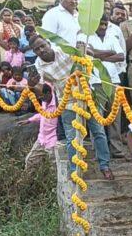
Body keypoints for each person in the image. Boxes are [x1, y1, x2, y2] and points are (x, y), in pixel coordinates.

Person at [30, 35, 113, 180]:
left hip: (86, 96)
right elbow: (44, 89)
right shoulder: (38, 65)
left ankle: (105, 166)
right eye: (37, 49)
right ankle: (75, 171)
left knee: (98, 131)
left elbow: (87, 57)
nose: (41, 50)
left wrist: (85, 50)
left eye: (42, 45)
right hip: (66, 101)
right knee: (71, 137)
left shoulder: (64, 49)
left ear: (48, 43)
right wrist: (32, 85)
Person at [87, 14, 127, 159]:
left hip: (113, 81)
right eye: (100, 24)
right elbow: (88, 53)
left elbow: (121, 56)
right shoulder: (87, 37)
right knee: (97, 117)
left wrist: (99, 55)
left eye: (105, 24)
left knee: (115, 116)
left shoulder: (111, 37)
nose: (103, 27)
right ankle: (99, 150)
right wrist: (109, 53)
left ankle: (116, 149)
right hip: (95, 82)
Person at [19, 84, 58, 170]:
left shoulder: (58, 105)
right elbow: (42, 114)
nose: (40, 98)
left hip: (53, 140)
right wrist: (29, 120)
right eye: (38, 96)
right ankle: (28, 182)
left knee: (54, 166)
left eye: (41, 96)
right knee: (30, 160)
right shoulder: (44, 101)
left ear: (48, 93)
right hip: (41, 139)